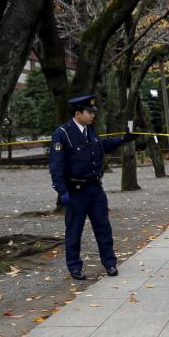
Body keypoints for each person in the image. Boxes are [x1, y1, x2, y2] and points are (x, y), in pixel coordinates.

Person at [49, 95, 137, 280]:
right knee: (74, 231)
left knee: (103, 228)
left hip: (95, 188)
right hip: (75, 191)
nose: (93, 115)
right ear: (78, 113)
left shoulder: (90, 130)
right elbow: (56, 164)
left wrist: (123, 139)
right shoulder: (63, 133)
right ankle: (74, 266)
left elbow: (102, 145)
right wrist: (62, 190)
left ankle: (110, 263)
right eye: (89, 112)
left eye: (93, 112)